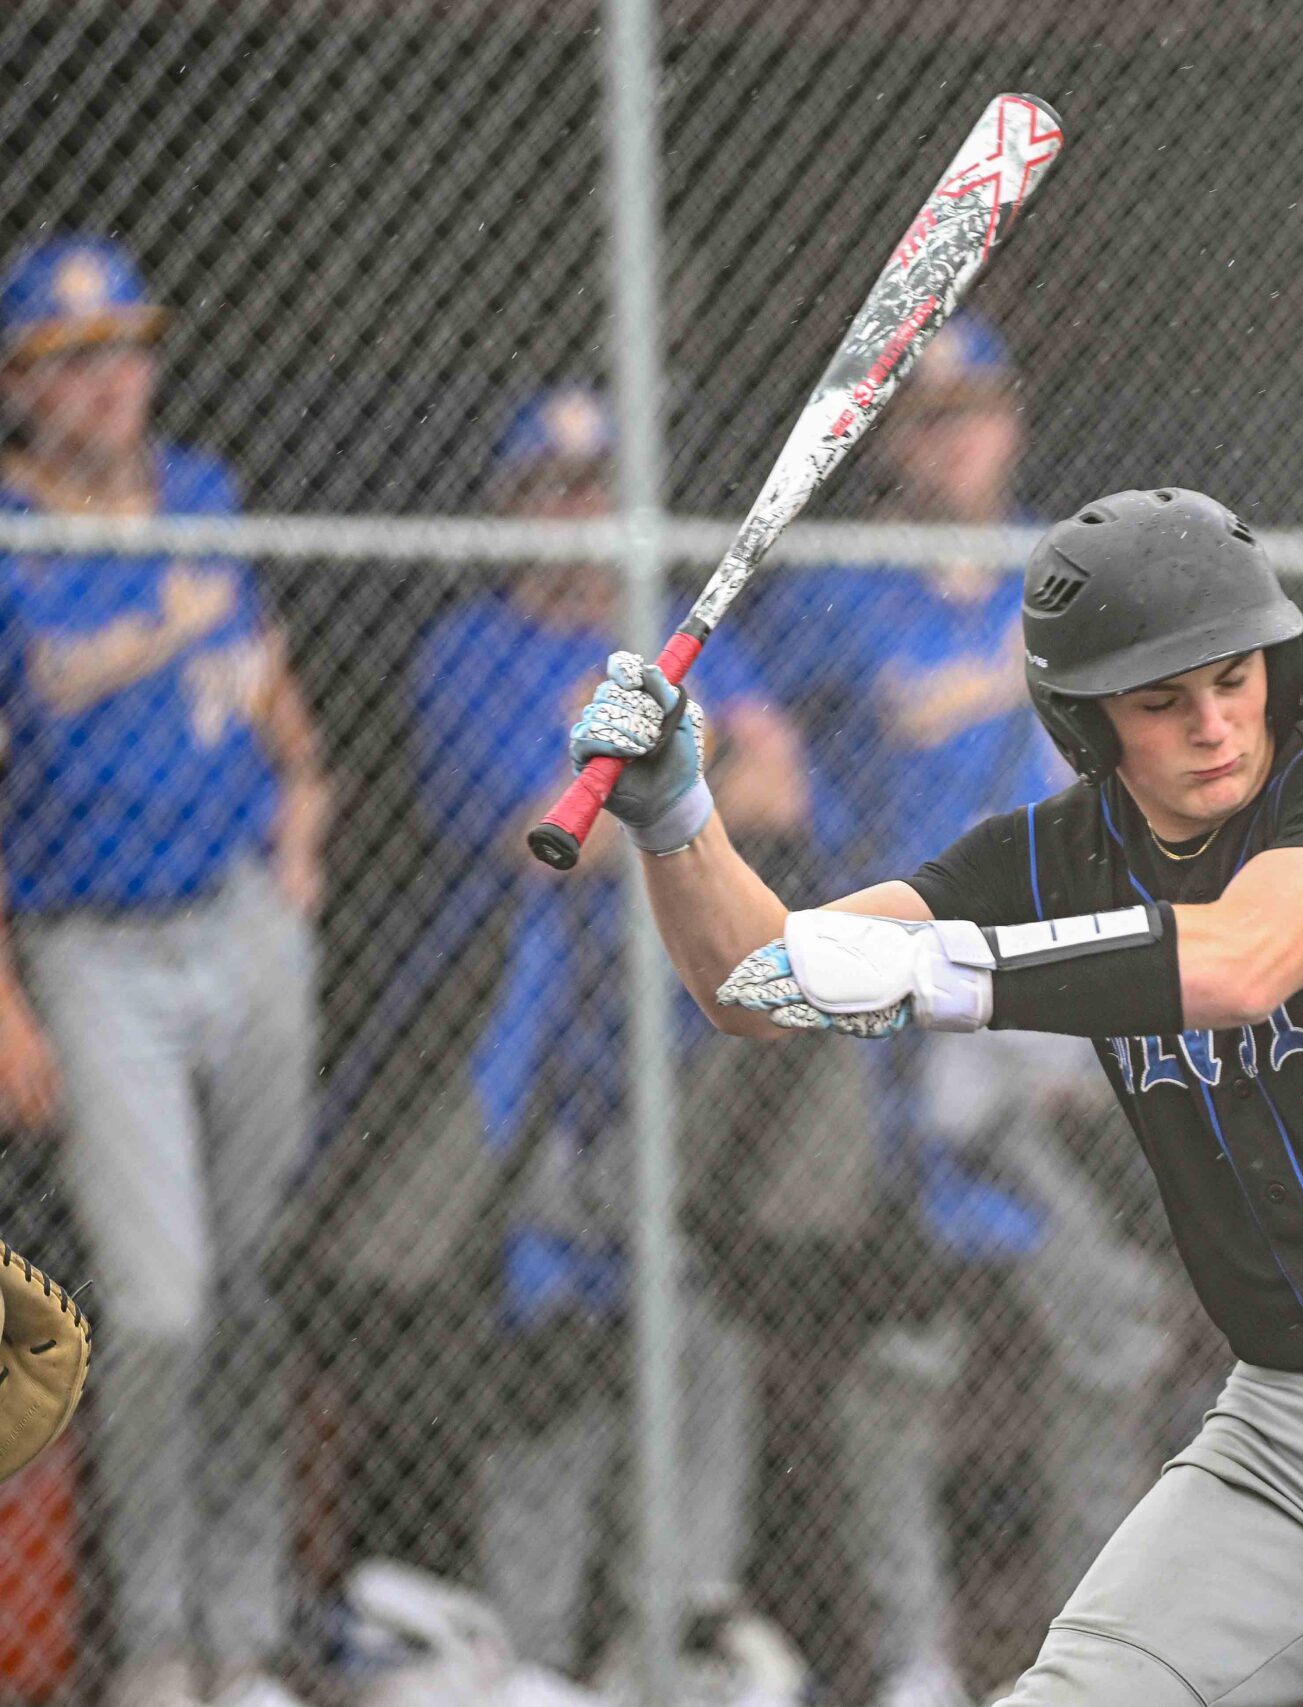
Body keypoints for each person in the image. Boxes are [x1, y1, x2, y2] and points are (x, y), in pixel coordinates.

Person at [547, 483, 1303, 1705]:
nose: (1214, 725)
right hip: (1294, 1430)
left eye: (1234, 680)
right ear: (1088, 722)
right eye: (1161, 701)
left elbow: (1238, 963)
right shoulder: (1049, 858)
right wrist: (678, 820)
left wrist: (941, 970)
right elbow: (758, 984)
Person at [732, 316, 1175, 1707]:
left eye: (980, 408)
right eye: (930, 415)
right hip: (899, 1012)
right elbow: (748, 727)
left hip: (1049, 997)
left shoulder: (1062, 572)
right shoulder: (838, 583)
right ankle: (916, 1657)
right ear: (891, 441)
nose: (961, 437)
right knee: (906, 1349)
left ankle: (1088, 1654)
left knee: (1107, 1326)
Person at [407, 387, 805, 1674]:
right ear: (509, 509)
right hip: (530, 1067)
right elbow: (547, 838)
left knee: (700, 1325)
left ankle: (678, 1636)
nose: (582, 512)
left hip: (682, 1061)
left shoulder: (673, 633)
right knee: (558, 1343)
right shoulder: (470, 649)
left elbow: (783, 782)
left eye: (598, 486)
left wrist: (649, 790)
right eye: (554, 488)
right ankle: (530, 1654)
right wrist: (689, 792)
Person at [0, 233, 330, 1707]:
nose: (110, 377)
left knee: (253, 1286)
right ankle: (153, 1639)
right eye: (70, 358)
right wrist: (4, 999)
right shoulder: (9, 535)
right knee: (160, 1306)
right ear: (21, 387)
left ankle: (242, 1634)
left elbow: (272, 697)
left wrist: (302, 827)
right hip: (91, 948)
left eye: (124, 346)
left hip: (239, 920)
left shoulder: (203, 494)